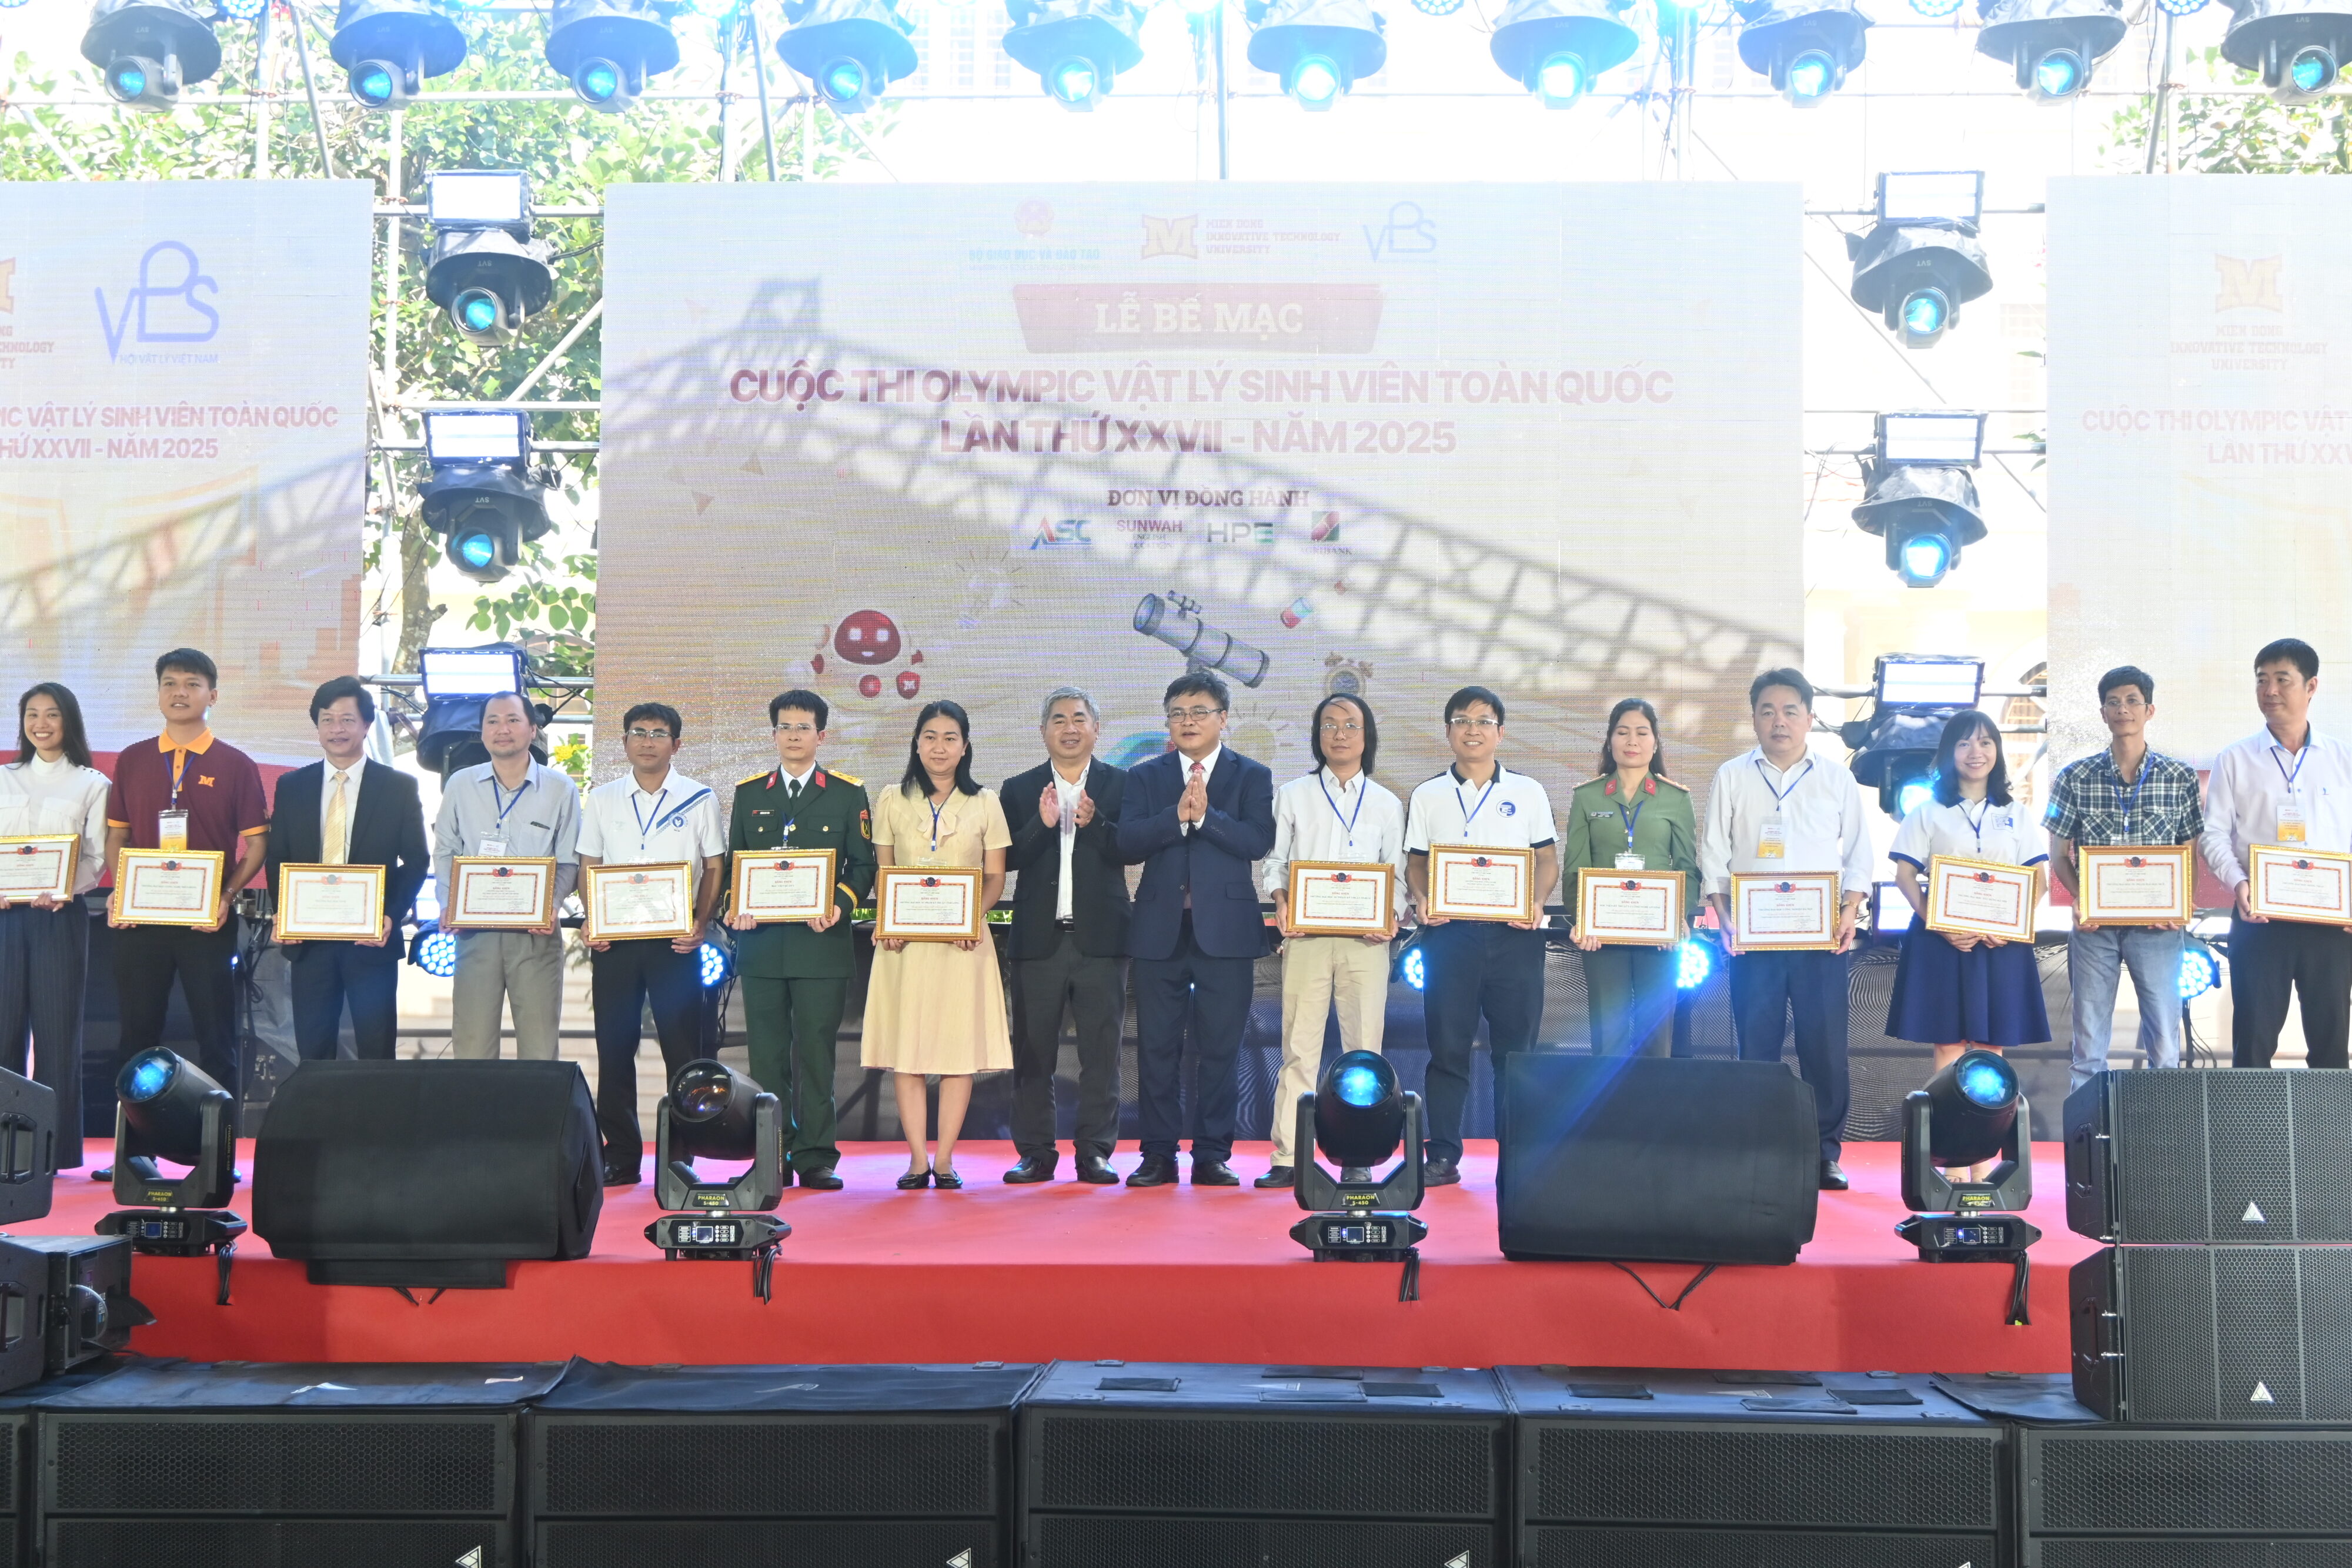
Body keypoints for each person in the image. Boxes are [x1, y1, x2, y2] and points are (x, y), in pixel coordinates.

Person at [1698, 667, 1873, 1191]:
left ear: (1809, 718)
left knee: (1825, 1047)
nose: (1779, 721)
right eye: (1768, 711)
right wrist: (1723, 915)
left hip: (1821, 938)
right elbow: (1713, 850)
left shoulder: (1836, 778)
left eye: (1790, 711)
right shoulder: (1732, 775)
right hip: (1754, 938)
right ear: (1754, 718)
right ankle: (1763, 1149)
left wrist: (1850, 909)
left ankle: (1824, 1153)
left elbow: (1859, 852)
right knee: (1757, 1045)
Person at [1117, 671, 1277, 1189]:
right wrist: (1175, 816)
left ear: (1223, 719)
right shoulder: (1145, 776)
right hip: (1159, 930)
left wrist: (1208, 819)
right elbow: (1126, 843)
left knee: (1221, 1049)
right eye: (1178, 713)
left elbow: (1258, 840)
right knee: (1156, 1048)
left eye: (1199, 712)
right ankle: (1158, 1154)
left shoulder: (1251, 775)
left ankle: (1212, 1154)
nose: (1188, 721)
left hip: (1226, 932)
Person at [103, 649, 269, 1128]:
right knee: (136, 1038)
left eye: (192, 684)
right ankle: (133, 1148)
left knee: (216, 1038)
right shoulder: (133, 759)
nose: (180, 692)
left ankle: (219, 1147)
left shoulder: (236, 763)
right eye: (170, 683)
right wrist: (123, 889)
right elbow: (117, 837)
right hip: (141, 922)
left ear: (212, 695)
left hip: (207, 922)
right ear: (158, 693)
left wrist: (227, 896)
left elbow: (257, 845)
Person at [1403, 685, 1559, 1185]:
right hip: (1450, 939)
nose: (1473, 730)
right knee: (1447, 1049)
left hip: (1515, 938)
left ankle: (1518, 1154)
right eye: (1462, 720)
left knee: (1517, 1054)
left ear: (1501, 732)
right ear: (1449, 730)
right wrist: (1422, 896)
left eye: (1484, 721)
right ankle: (1443, 1154)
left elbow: (1547, 859)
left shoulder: (1528, 791)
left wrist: (1536, 901)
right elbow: (1416, 862)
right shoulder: (1428, 794)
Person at [1886, 711, 2051, 1175]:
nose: (1975, 752)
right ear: (1948, 753)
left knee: (1990, 1050)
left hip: (2001, 945)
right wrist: (1937, 923)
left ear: (1997, 751)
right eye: (1964, 743)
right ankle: (1951, 1158)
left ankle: (1982, 1156)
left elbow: (2038, 879)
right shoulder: (1927, 811)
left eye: (1985, 742)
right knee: (1948, 1046)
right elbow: (1904, 875)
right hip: (1943, 944)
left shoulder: (2015, 812)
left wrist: (2012, 925)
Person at [723, 689, 875, 1191]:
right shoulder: (750, 794)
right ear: (774, 734)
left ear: (821, 736)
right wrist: (736, 905)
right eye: (785, 727)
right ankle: (772, 1155)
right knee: (766, 1059)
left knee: (816, 1055)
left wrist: (840, 905)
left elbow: (863, 865)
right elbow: (736, 864)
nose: (793, 735)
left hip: (821, 946)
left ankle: (815, 1156)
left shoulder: (847, 793)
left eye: (803, 727)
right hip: (763, 947)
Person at [863, 701, 1011, 1191]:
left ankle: (944, 1160)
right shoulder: (892, 798)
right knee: (907, 1051)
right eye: (930, 736)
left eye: (950, 738)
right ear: (916, 743)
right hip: (904, 945)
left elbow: (995, 876)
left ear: (965, 746)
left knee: (956, 1050)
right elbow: (884, 871)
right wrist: (889, 919)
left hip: (962, 945)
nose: (939, 747)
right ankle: (916, 1160)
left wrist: (973, 919)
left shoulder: (985, 801)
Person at [1258, 693, 1405, 1188]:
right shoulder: (1293, 794)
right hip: (1307, 937)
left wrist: (1390, 915)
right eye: (1329, 724)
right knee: (1299, 1047)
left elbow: (1397, 876)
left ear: (1367, 735)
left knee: (1364, 1052)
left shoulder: (1386, 803)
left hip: (1367, 943)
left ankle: (1358, 1154)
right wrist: (1282, 899)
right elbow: (1276, 861)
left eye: (1350, 725)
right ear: (1317, 735)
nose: (1339, 733)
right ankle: (1288, 1156)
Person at [577, 702, 726, 1186]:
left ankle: (681, 1154)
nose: (647, 741)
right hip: (616, 943)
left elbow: (715, 865)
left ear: (676, 744)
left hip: (676, 943)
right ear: (624, 741)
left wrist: (700, 923)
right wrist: (594, 919)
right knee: (614, 1047)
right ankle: (621, 1154)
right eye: (638, 732)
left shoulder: (699, 797)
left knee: (682, 1050)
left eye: (658, 733)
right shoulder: (602, 799)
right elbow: (589, 864)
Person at [1000, 686, 1136, 1186]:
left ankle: (1095, 1151)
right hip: (1039, 941)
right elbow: (1006, 858)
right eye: (1058, 719)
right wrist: (1042, 824)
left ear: (1096, 728)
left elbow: (1131, 848)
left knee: (1101, 1053)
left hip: (1102, 940)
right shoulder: (1019, 788)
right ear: (1043, 732)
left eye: (1079, 718)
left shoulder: (1124, 784)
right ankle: (1035, 1153)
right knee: (1032, 1053)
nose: (1070, 728)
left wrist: (1095, 824)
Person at [2044, 665, 2204, 1089]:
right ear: (2103, 713)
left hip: (2157, 928)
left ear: (2149, 710)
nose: (2123, 709)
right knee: (2088, 1046)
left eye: (2132, 701)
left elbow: (2189, 849)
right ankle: (2086, 1131)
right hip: (2094, 930)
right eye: (2113, 702)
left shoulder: (2180, 776)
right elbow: (2058, 854)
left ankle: (2162, 1129)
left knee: (2164, 1045)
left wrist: (2181, 904)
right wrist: (2081, 898)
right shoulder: (2074, 776)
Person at [2201, 638, 2352, 1069]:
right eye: (2262, 680)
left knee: (2331, 1043)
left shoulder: (2344, 759)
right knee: (2253, 1042)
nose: (2269, 690)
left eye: (2282, 679)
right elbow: (2213, 835)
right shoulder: (2234, 759)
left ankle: (2331, 1117)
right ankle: (2251, 1118)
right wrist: (2238, 882)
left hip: (2330, 926)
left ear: (2311, 686)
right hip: (2259, 920)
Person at [266, 676, 429, 1062]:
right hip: (310, 941)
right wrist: (285, 913)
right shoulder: (292, 785)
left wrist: (390, 915)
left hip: (371, 940)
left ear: (367, 725)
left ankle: (376, 1107)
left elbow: (417, 859)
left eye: (347, 719)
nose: (336, 729)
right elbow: (278, 857)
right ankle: (317, 1108)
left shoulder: (398, 786)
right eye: (327, 720)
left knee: (376, 1049)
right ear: (317, 726)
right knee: (313, 1050)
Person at [432, 693, 579, 1060]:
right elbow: (446, 850)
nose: (502, 729)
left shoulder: (561, 788)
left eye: (513, 720)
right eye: (492, 721)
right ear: (482, 731)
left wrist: (552, 905)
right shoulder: (460, 784)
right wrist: (448, 904)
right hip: (474, 932)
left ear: (532, 729)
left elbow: (569, 861)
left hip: (535, 935)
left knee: (540, 1051)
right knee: (472, 1050)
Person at [0, 683, 109, 1168]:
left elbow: (97, 858)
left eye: (51, 715)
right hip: (5, 915)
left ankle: (55, 1150)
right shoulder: (4, 778)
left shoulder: (92, 783)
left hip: (60, 917)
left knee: (57, 1034)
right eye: (32, 714)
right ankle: (4, 1148)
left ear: (69, 721)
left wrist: (64, 889)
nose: (40, 724)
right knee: (2, 1033)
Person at [1561, 697, 1699, 1058]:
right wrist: (1582, 921)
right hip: (1601, 937)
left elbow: (1687, 867)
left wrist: (1678, 919)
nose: (1632, 741)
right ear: (1610, 741)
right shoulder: (1587, 797)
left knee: (1657, 1043)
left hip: (1660, 936)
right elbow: (1574, 868)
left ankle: (1655, 1100)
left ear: (1655, 742)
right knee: (1608, 1042)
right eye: (1622, 732)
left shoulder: (1676, 799)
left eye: (1642, 732)